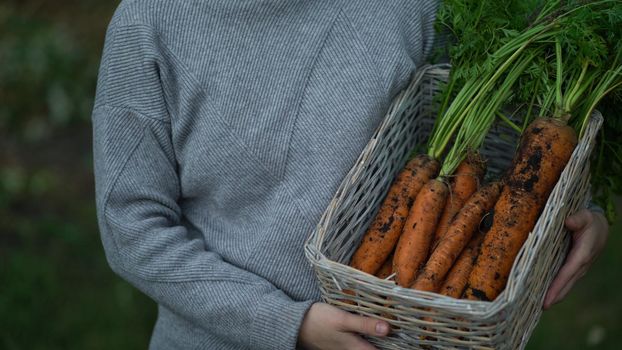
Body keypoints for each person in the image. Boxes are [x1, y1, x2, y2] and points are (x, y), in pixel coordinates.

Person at [91, 1, 609, 349]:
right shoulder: (151, 21)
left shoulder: (413, 9)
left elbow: (512, 138)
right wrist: (290, 324)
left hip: (402, 332)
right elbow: (131, 227)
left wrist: (582, 208)